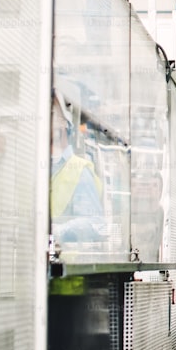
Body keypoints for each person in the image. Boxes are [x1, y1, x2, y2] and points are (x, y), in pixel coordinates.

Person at [50, 91, 105, 244]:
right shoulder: (35, 168)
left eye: (51, 114)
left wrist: (56, 232)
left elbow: (96, 223)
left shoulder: (79, 170)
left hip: (66, 264)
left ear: (64, 122)